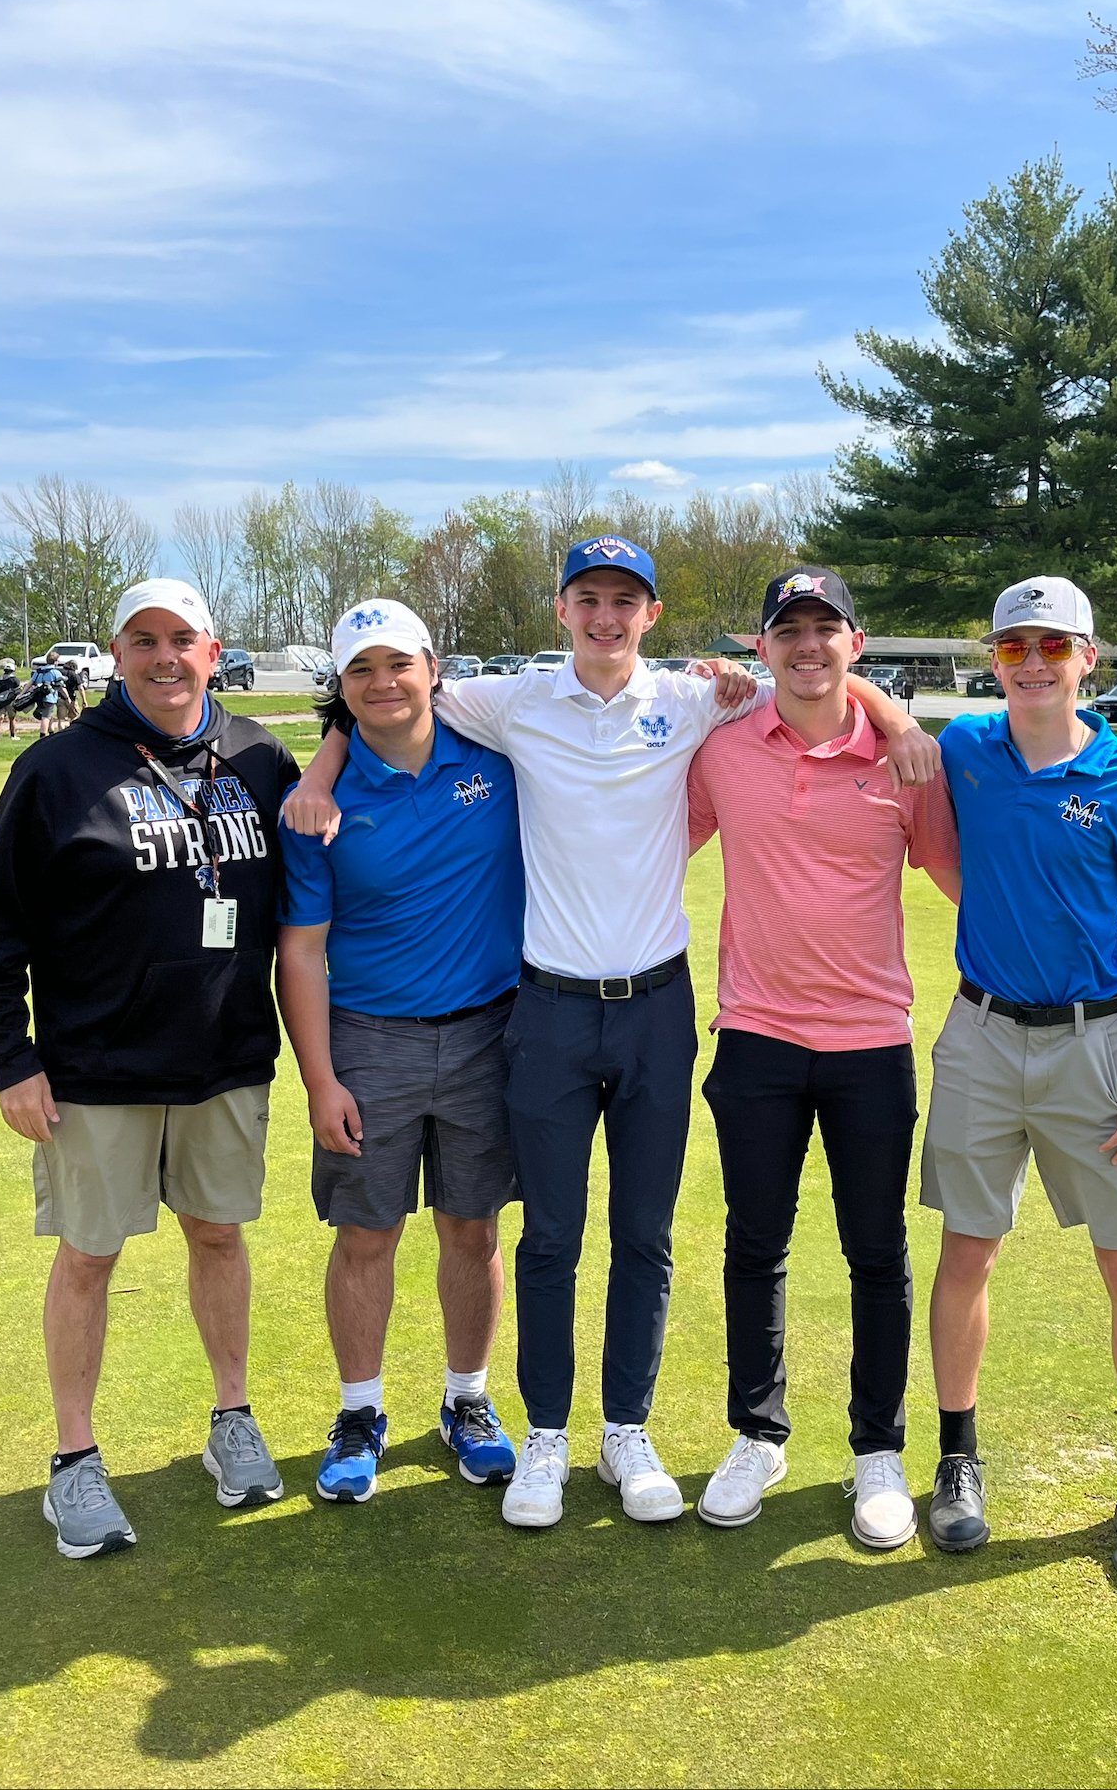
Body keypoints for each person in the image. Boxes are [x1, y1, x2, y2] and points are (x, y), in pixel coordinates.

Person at [286, 534, 939, 1531]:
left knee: (644, 1235)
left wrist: (892, 710)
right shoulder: (511, 702)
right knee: (549, 1237)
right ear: (562, 612)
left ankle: (623, 1428)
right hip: (543, 1010)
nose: (604, 617)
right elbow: (382, 701)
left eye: (623, 601)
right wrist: (325, 766)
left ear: (650, 613)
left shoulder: (694, 700)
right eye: (586, 598)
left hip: (655, 1012)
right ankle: (545, 1432)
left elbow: (819, 684)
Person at [0, 578, 300, 1560]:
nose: (163, 657)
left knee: (219, 1239)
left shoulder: (257, 756)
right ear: (115, 653)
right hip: (93, 1067)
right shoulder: (56, 769)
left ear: (212, 648)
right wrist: (11, 1062)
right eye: (142, 640)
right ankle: (74, 1460)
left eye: (180, 639)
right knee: (87, 1257)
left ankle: (231, 1418)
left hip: (226, 1059)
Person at [919, 576, 1117, 1592]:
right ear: (992, 661)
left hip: (1097, 1047)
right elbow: (863, 704)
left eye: (1051, 646)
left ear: (1087, 656)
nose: (1030, 664)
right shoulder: (965, 751)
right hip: (981, 1035)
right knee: (967, 1250)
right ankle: (955, 1461)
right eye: (1011, 648)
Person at [684, 566, 960, 1549]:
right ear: (761, 648)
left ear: (856, 642)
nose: (807, 644)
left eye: (824, 627)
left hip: (868, 1042)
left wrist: (1083, 927)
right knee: (753, 1246)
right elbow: (637, 836)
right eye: (786, 629)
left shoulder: (903, 761)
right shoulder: (720, 750)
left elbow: (963, 879)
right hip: (754, 1034)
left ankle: (876, 1450)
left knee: (874, 1252)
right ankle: (757, 1434)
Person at [278, 599, 525, 1504]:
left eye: (398, 664)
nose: (383, 683)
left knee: (474, 1226)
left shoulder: (498, 760)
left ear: (432, 669)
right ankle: (359, 1412)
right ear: (341, 690)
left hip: (489, 1035)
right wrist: (318, 1079)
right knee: (367, 1234)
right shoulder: (317, 807)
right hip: (367, 1043)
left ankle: (467, 1400)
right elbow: (301, 948)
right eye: (360, 671)